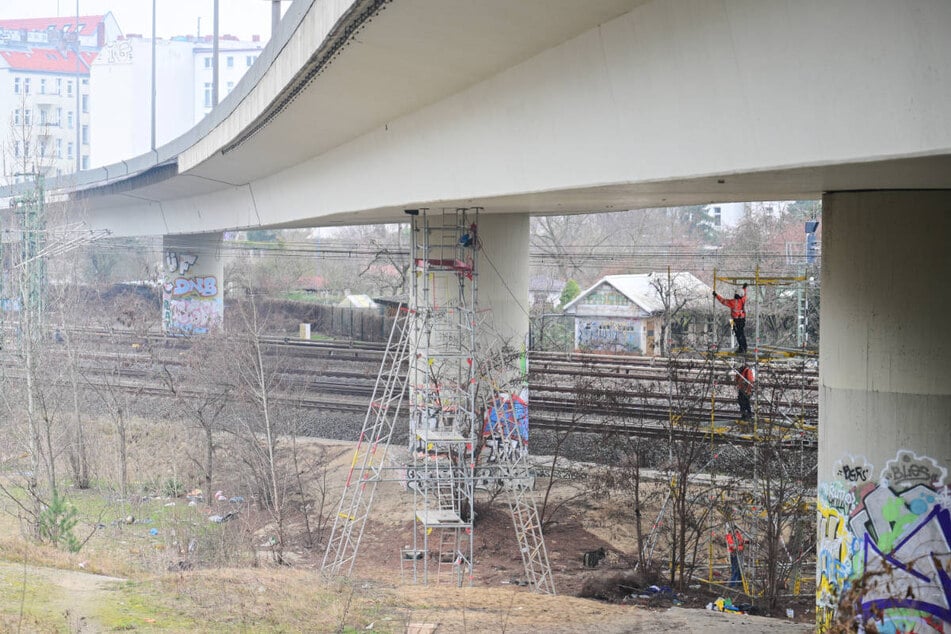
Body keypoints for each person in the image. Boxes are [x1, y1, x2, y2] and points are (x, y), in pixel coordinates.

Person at [714, 283, 748, 353]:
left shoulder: (733, 302)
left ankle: (742, 348)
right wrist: (744, 288)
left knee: (738, 334)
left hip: (735, 320)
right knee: (741, 333)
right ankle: (744, 347)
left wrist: (716, 295)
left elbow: (723, 301)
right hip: (742, 319)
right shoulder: (742, 300)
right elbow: (744, 295)